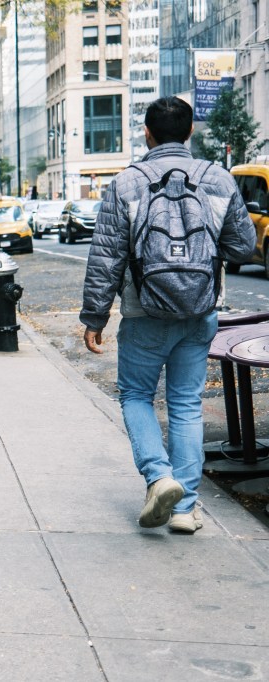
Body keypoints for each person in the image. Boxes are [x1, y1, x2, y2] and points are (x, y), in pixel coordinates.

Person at [80, 96, 255, 534]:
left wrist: (95, 317)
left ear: (147, 133)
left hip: (143, 314)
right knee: (185, 405)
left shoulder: (126, 183)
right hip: (199, 312)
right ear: (191, 131)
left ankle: (159, 477)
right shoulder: (217, 179)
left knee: (137, 396)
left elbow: (107, 257)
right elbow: (241, 246)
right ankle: (185, 509)